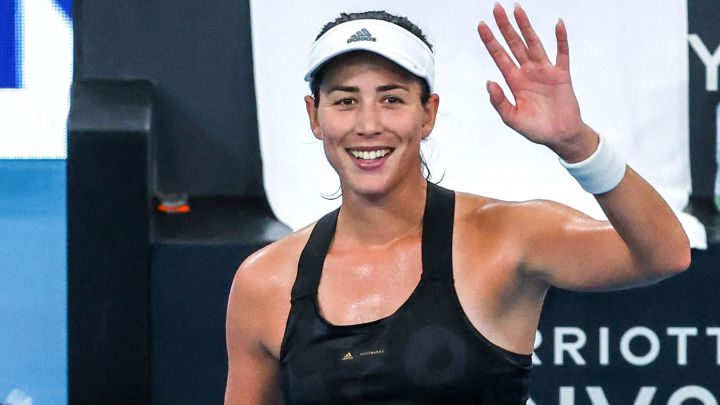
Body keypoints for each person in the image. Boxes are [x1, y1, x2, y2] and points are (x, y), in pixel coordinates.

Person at [225, 4, 691, 404]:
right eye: (345, 101)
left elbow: (665, 253)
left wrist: (578, 145)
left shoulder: (505, 238)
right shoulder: (266, 282)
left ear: (427, 114)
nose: (368, 124)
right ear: (315, 116)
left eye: (392, 99)